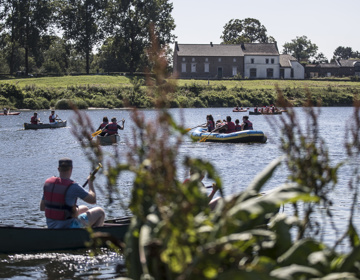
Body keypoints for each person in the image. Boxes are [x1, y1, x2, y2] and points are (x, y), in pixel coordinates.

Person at [40, 158, 105, 229]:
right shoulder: (73, 186)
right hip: (67, 227)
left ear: (58, 169)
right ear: (71, 169)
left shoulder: (48, 184)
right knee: (100, 212)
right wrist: (90, 183)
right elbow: (93, 200)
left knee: (85, 208)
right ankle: (95, 238)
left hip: (51, 226)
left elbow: (42, 208)